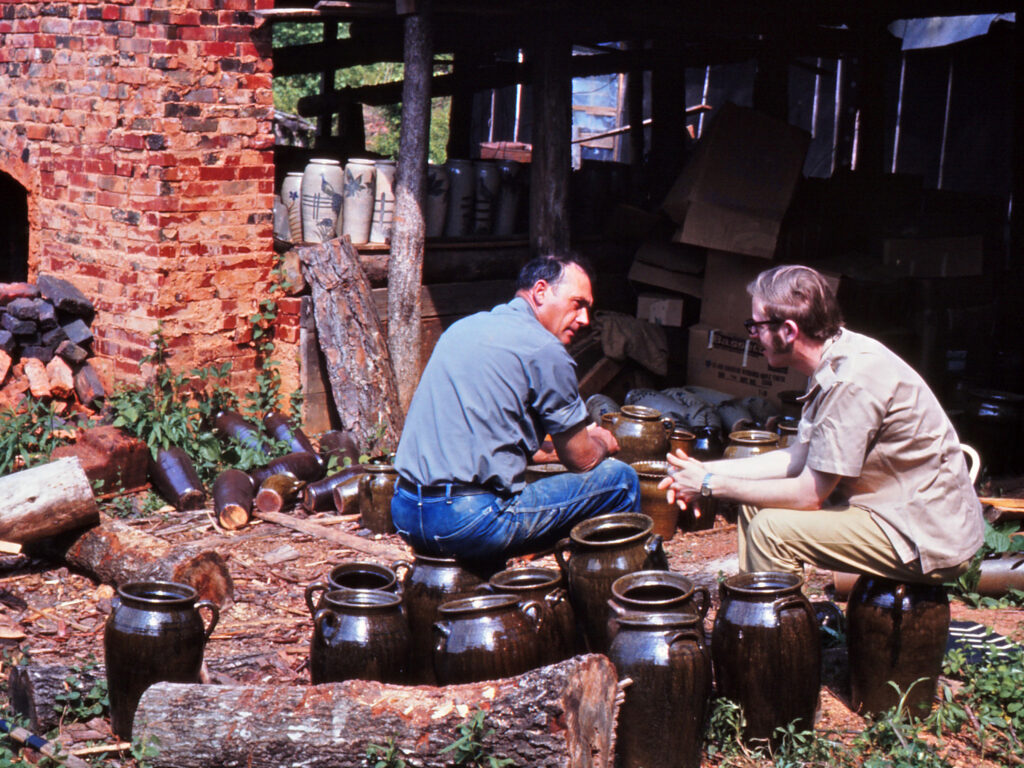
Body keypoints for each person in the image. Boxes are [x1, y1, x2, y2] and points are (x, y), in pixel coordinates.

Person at [661, 264, 984, 582]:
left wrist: (709, 486)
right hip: (890, 509)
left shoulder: (852, 380)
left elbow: (808, 495)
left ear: (788, 330)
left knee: (771, 530)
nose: (754, 335)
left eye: (756, 325)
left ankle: (779, 631)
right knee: (755, 506)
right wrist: (704, 471)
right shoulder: (832, 357)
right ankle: (761, 618)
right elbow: (801, 456)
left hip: (923, 533)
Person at [391, 253, 640, 567]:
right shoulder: (546, 350)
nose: (585, 319)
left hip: (406, 512)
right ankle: (611, 600)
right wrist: (602, 440)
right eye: (578, 303)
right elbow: (582, 459)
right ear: (540, 292)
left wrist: (550, 449)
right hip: (467, 520)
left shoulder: (463, 329)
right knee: (621, 480)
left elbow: (491, 441)